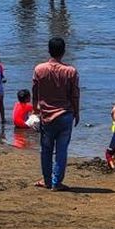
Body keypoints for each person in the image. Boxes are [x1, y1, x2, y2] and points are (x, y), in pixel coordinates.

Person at [32, 37, 79, 191]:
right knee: (61, 150)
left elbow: (35, 92)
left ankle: (47, 181)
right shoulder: (70, 71)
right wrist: (77, 113)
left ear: (49, 50)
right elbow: (75, 95)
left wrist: (35, 109)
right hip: (65, 114)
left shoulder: (39, 69)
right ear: (63, 52)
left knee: (45, 150)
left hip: (46, 116)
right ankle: (56, 182)